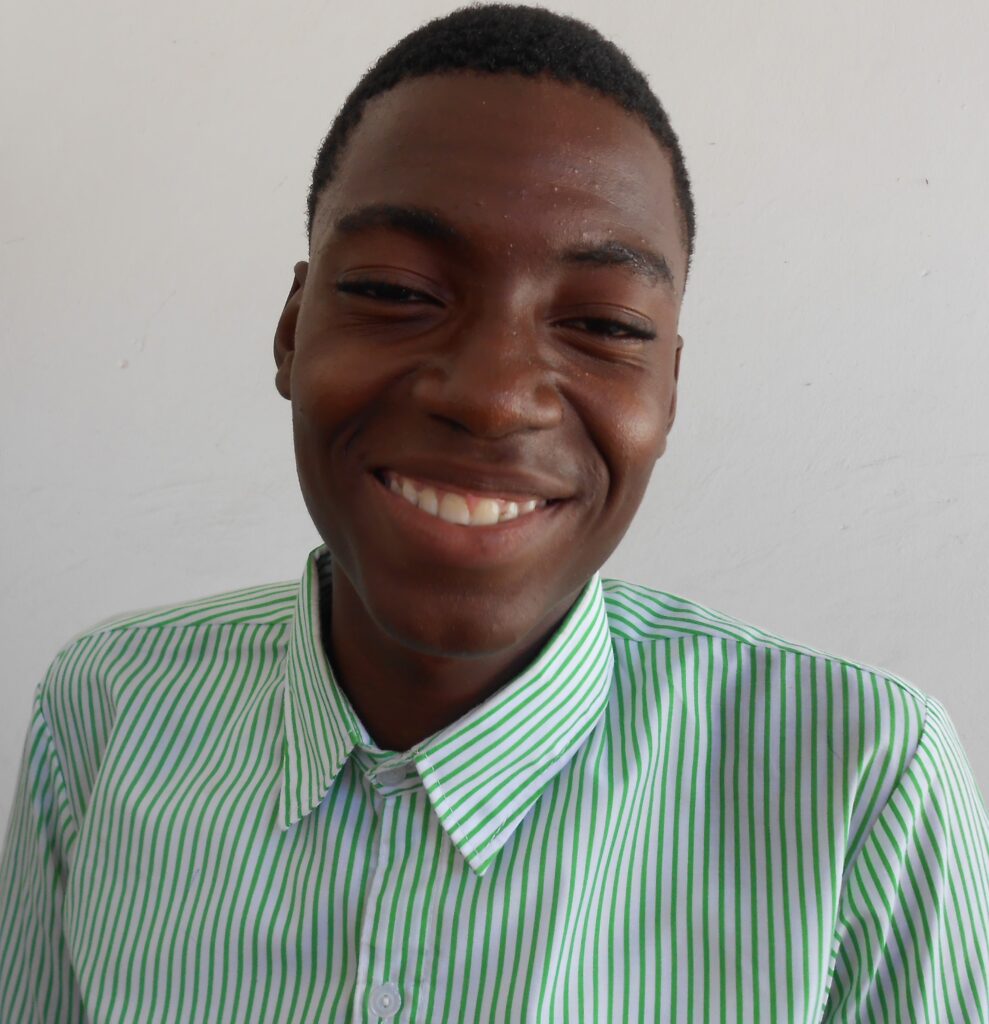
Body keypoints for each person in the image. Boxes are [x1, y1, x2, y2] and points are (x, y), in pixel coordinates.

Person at [2, 4, 987, 1021]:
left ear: (667, 392)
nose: (491, 395)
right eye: (395, 291)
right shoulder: (107, 713)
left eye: (604, 323)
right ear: (292, 332)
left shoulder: (862, 786)